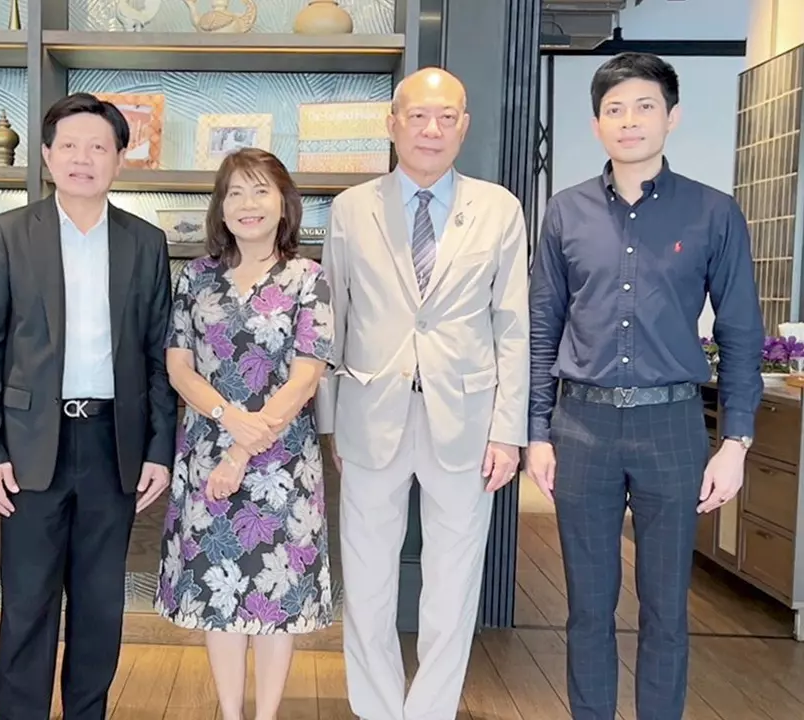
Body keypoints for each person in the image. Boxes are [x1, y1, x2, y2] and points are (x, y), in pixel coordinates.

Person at [528, 52, 763, 720]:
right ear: (597, 125)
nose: (629, 121)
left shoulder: (713, 213)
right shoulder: (565, 212)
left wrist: (736, 442)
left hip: (673, 426)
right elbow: (543, 327)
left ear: (671, 116)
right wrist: (537, 432)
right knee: (587, 608)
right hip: (583, 427)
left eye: (644, 106)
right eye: (614, 109)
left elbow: (741, 331)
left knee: (666, 609)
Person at [316, 66, 530, 719]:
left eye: (446, 117)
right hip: (369, 414)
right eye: (417, 115)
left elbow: (512, 324)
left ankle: (431, 710)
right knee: (368, 580)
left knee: (453, 584)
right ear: (392, 124)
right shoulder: (352, 208)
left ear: (464, 126)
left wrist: (508, 431)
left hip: (467, 420)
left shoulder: (499, 208)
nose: (431, 129)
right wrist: (330, 421)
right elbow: (332, 318)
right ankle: (377, 708)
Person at [0, 92, 177, 720]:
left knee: (100, 604)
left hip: (114, 444)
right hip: (30, 444)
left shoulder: (145, 241)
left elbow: (158, 354)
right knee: (27, 602)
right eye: (70, 146)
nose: (84, 159)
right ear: (48, 156)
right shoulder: (8, 233)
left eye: (99, 147)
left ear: (119, 159)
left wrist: (159, 449)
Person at [155, 147, 334, 720]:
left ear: (284, 204)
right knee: (219, 593)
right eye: (235, 192)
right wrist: (226, 418)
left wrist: (241, 448)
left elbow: (306, 376)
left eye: (260, 190)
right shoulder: (196, 277)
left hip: (282, 461)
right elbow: (179, 366)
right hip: (206, 452)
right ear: (221, 206)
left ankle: (266, 715)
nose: (247, 204)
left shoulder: (308, 278)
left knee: (274, 600)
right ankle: (231, 713)